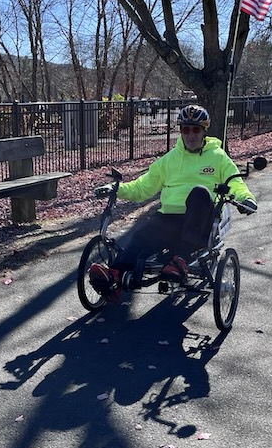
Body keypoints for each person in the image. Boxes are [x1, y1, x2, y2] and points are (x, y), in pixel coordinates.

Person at [88, 104, 258, 302]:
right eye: (186, 129)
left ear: (204, 131)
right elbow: (142, 187)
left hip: (200, 219)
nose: (191, 134)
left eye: (196, 129)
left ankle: (181, 261)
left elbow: (234, 182)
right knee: (142, 235)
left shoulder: (218, 157)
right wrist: (117, 189)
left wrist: (245, 199)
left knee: (199, 193)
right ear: (181, 131)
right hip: (169, 218)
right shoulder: (169, 160)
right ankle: (114, 276)